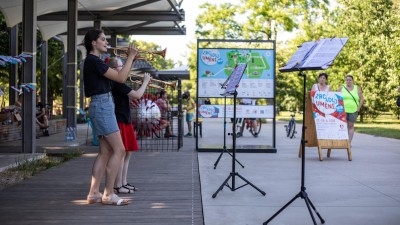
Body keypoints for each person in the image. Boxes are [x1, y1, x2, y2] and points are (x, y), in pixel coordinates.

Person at [83, 29, 138, 206]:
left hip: (101, 105)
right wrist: (130, 57)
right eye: (103, 39)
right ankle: (108, 194)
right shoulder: (94, 61)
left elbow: (119, 77)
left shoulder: (95, 62)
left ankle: (93, 193)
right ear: (93, 42)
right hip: (103, 106)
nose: (107, 42)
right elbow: (121, 78)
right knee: (120, 150)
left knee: (105, 152)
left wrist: (129, 60)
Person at [108, 57, 150, 194]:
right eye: (122, 66)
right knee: (121, 153)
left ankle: (123, 182)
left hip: (125, 119)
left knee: (128, 153)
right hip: (119, 120)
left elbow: (133, 95)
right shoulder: (117, 82)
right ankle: (118, 185)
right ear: (114, 69)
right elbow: (137, 95)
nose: (125, 68)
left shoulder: (120, 82)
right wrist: (145, 82)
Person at [338, 75, 364, 144]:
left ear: (352, 81)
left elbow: (362, 98)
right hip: (342, 110)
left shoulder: (357, 88)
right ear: (345, 81)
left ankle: (349, 143)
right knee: (342, 126)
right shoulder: (342, 87)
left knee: (350, 125)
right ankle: (343, 141)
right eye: (347, 80)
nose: (348, 81)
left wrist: (358, 108)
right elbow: (336, 97)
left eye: (350, 80)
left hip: (353, 110)